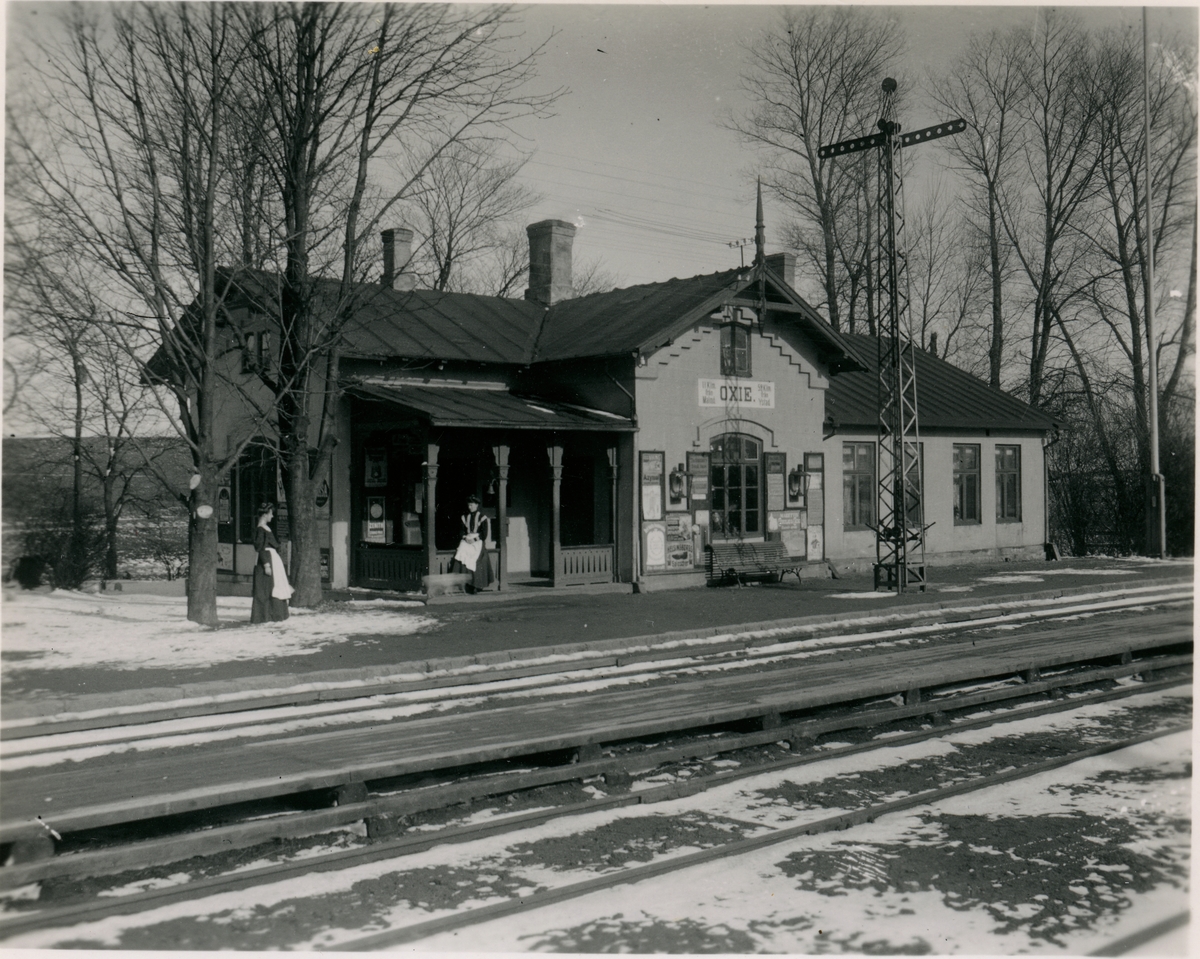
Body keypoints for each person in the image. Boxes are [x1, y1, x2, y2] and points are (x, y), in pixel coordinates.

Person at [251, 503, 292, 623]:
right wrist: (266, 564)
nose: (272, 516)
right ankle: (266, 616)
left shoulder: (265, 528)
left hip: (272, 559)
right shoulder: (260, 529)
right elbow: (261, 547)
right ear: (265, 514)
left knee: (273, 586)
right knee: (267, 588)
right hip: (268, 560)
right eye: (271, 513)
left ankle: (276, 615)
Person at [450, 494, 494, 592]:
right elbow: (461, 531)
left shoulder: (482, 517)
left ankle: (477, 584)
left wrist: (474, 539)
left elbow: (484, 533)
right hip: (467, 539)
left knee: (477, 560)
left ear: (477, 505)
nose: (470, 507)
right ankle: (466, 584)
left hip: (477, 541)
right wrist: (465, 538)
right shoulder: (465, 517)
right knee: (462, 555)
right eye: (469, 505)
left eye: (472, 505)